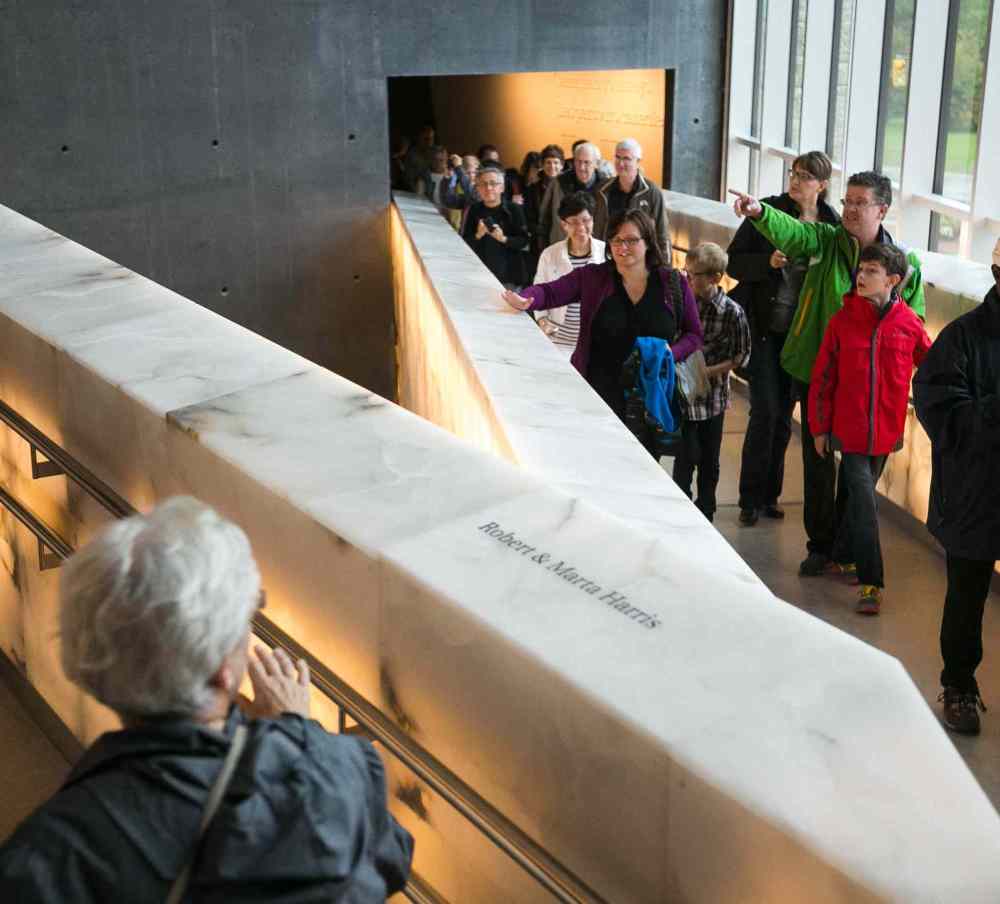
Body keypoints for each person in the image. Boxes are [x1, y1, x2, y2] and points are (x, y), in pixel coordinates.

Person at [0, 497, 413, 902]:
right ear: (222, 670)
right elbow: (388, 858)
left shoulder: (45, 858)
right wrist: (297, 737)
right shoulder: (337, 771)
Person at [729, 172, 925, 577]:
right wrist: (759, 213)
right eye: (847, 200)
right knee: (818, 461)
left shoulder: (905, 265)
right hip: (817, 372)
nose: (850, 209)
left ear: (882, 210)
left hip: (870, 387)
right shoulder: (827, 239)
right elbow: (794, 233)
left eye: (860, 202)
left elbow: (914, 323)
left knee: (859, 473)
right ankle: (820, 545)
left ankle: (846, 547)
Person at [501, 209, 702, 449]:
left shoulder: (672, 282)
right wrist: (526, 298)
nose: (622, 247)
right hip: (597, 393)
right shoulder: (594, 277)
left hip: (650, 397)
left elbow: (694, 334)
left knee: (642, 460)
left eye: (631, 240)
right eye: (616, 240)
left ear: (648, 241)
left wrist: (671, 353)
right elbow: (550, 291)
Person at [809, 244, 931, 615]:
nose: (861, 276)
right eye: (861, 269)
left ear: (893, 280)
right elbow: (823, 379)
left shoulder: (909, 324)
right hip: (849, 432)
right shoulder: (842, 321)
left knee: (857, 501)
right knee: (864, 500)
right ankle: (871, 582)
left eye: (872, 271)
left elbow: (932, 365)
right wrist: (819, 427)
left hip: (887, 433)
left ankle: (843, 556)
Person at [913, 237, 1000, 734]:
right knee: (966, 596)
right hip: (974, 493)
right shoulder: (963, 338)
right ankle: (960, 684)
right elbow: (941, 409)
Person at [729, 151, 840, 526]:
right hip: (766, 330)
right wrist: (768, 263)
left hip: (803, 339)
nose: (795, 180)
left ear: (822, 185)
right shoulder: (769, 210)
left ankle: (769, 496)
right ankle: (749, 499)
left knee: (783, 420)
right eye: (794, 173)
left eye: (805, 176)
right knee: (765, 412)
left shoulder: (831, 225)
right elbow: (734, 261)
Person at [674, 242, 751, 522]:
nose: (687, 279)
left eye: (693, 275)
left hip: (712, 398)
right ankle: (680, 508)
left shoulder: (732, 312)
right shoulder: (683, 303)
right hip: (684, 395)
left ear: (715, 277)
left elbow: (741, 356)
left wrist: (708, 372)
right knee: (684, 456)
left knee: (709, 458)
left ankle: (706, 509)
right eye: (686, 272)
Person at [533, 192, 606, 355]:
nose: (581, 228)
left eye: (586, 220)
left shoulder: (606, 253)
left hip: (594, 344)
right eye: (574, 222)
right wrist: (542, 320)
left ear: (593, 220)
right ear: (564, 224)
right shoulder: (550, 254)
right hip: (557, 342)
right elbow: (539, 290)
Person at [593, 138, 672, 260]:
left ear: (638, 161)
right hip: (608, 257)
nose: (621, 163)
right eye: (618, 157)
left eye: (626, 159)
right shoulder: (602, 190)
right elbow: (596, 228)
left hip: (640, 260)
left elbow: (662, 233)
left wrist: (665, 265)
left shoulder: (652, 193)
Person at [461, 164, 530, 287]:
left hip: (509, 276)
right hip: (479, 274)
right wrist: (478, 235)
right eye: (483, 184)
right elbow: (464, 244)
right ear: (478, 188)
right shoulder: (474, 210)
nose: (488, 188)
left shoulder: (514, 209)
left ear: (502, 187)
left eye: (493, 183)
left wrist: (503, 239)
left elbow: (524, 242)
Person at [538, 142, 601, 247]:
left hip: (595, 249)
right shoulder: (558, 183)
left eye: (587, 162)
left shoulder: (605, 186)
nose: (582, 167)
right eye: (578, 162)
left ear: (596, 164)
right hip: (561, 246)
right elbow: (544, 219)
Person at [413, 145, 470, 213]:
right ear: (431, 160)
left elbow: (462, 199)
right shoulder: (425, 176)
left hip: (450, 214)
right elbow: (419, 198)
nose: (438, 163)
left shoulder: (454, 176)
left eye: (441, 160)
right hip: (428, 212)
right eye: (435, 160)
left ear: (447, 159)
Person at [404, 123, 436, 189]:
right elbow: (409, 180)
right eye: (426, 139)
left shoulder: (436, 153)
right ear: (418, 138)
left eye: (431, 139)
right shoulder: (412, 155)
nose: (429, 142)